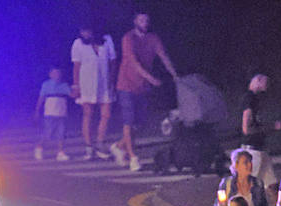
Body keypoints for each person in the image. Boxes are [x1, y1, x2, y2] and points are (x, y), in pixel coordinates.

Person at [112, 11, 177, 171]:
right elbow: (133, 63)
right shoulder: (128, 38)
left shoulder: (153, 38)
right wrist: (151, 78)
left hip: (142, 87)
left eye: (146, 20)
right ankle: (133, 157)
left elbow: (163, 56)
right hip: (126, 84)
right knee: (128, 121)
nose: (144, 23)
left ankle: (119, 146)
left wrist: (175, 74)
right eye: (141, 20)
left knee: (140, 124)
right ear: (135, 21)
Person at [70, 24, 117, 159]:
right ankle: (88, 146)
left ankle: (100, 142)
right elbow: (76, 66)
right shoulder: (78, 44)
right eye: (82, 31)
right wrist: (76, 86)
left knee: (106, 114)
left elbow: (113, 61)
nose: (84, 34)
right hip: (86, 84)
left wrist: (112, 80)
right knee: (88, 114)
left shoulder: (107, 40)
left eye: (87, 30)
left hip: (104, 83)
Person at [33, 64, 72, 161]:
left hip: (61, 112)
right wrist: (37, 110)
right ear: (50, 74)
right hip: (50, 112)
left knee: (61, 133)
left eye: (58, 73)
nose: (57, 75)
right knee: (48, 132)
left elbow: (71, 94)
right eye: (54, 73)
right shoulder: (46, 85)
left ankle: (60, 152)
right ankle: (39, 147)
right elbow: (41, 98)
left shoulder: (64, 85)